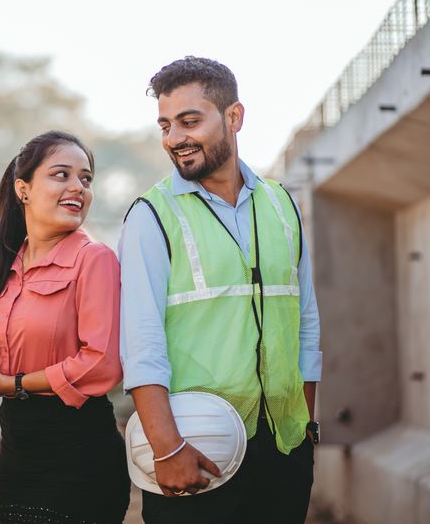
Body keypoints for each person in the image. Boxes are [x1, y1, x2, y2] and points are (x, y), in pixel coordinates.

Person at [118, 57, 322, 523]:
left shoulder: (281, 205)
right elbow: (140, 343)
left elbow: (306, 322)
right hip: (194, 450)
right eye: (166, 125)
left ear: (234, 117)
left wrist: (307, 429)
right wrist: (167, 449)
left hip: (284, 451)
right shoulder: (151, 216)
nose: (174, 139)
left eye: (190, 121)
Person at [0, 130, 131, 524]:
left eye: (85, 179)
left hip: (79, 457)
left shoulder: (94, 259)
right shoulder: (5, 265)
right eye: (61, 174)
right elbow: (13, 360)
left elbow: (102, 363)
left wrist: (10, 385)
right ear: (23, 189)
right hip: (17, 455)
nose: (77, 187)